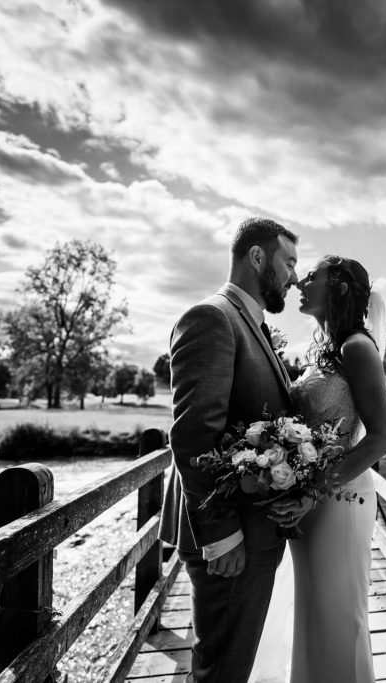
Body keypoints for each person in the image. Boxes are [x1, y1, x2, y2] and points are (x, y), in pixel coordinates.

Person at [158, 217, 299, 683]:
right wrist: (221, 535)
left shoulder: (249, 324)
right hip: (231, 540)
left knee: (230, 667)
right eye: (289, 262)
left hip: (252, 535)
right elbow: (195, 434)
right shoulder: (212, 318)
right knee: (221, 671)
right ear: (257, 258)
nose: (295, 276)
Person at [255, 255, 386, 683]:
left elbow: (380, 437)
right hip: (310, 497)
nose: (300, 281)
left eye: (312, 275)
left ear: (341, 287)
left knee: (336, 615)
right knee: (312, 608)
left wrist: (310, 490)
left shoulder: (357, 347)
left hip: (339, 499)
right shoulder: (327, 350)